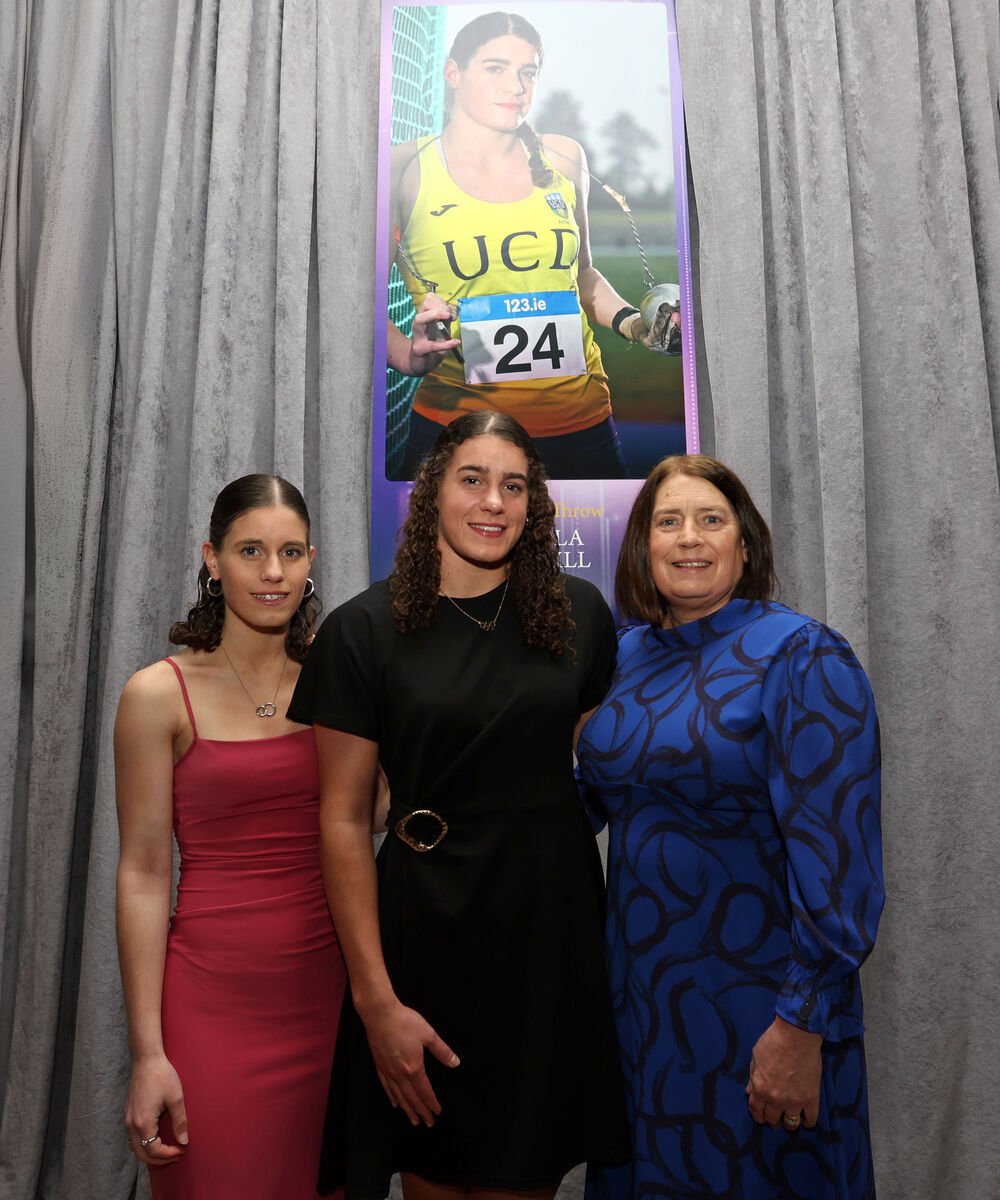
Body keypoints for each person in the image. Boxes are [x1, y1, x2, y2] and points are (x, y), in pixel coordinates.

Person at [288, 411, 629, 1199]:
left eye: (514, 486)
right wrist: (376, 1004)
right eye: (472, 479)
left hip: (547, 941)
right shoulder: (360, 631)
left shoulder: (581, 616)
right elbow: (341, 822)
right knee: (433, 1173)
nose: (493, 502)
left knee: (525, 1176)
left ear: (534, 505)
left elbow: (597, 761)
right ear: (431, 493)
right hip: (425, 938)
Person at [576, 454, 884, 1200]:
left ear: (744, 545)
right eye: (668, 521)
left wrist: (800, 1023)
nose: (690, 538)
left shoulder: (801, 654)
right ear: (642, 546)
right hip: (641, 1007)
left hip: (760, 1003)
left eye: (711, 520)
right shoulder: (620, 658)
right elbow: (582, 803)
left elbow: (841, 854)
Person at [115, 475, 349, 1198]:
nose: (273, 573)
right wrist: (148, 1053)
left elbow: (378, 813)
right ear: (212, 559)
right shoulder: (156, 694)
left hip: (328, 1004)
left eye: (289, 553)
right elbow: (145, 874)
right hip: (208, 1006)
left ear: (312, 559)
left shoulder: (340, 682)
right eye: (251, 551)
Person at [386, 10, 680, 481]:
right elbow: (353, 293)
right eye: (496, 68)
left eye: (528, 72)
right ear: (453, 73)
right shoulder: (404, 166)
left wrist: (637, 326)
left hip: (579, 422)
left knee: (601, 554)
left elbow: (583, 275)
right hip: (455, 428)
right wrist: (405, 355)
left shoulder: (564, 157)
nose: (516, 86)